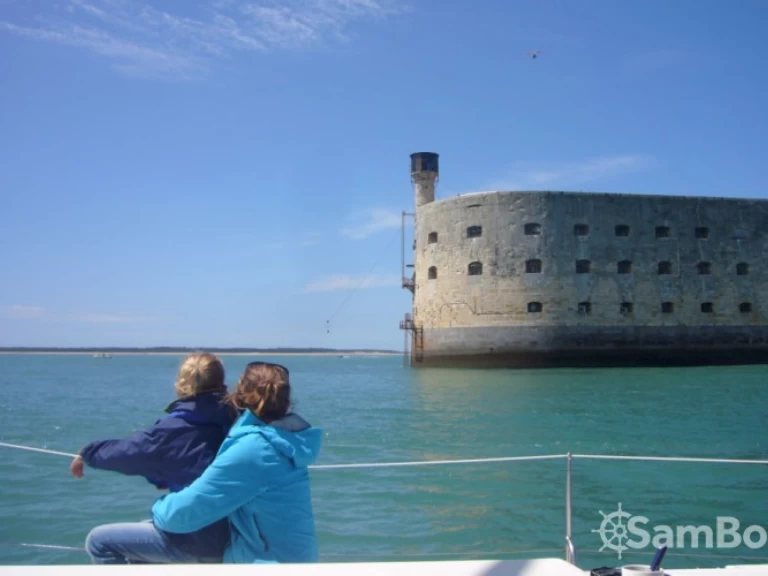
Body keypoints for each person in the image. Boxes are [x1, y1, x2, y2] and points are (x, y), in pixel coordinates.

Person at [151, 361, 323, 564]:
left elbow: (180, 516)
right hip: (294, 559)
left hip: (267, 564)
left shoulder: (255, 449)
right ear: (286, 401)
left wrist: (158, 506)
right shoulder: (287, 439)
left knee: (105, 540)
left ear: (239, 395)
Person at [75, 352, 238, 564]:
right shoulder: (237, 419)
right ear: (221, 382)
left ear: (181, 384)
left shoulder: (171, 431)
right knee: (145, 531)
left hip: (199, 542)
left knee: (98, 541)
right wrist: (164, 478)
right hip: (237, 537)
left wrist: (87, 453)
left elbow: (126, 453)